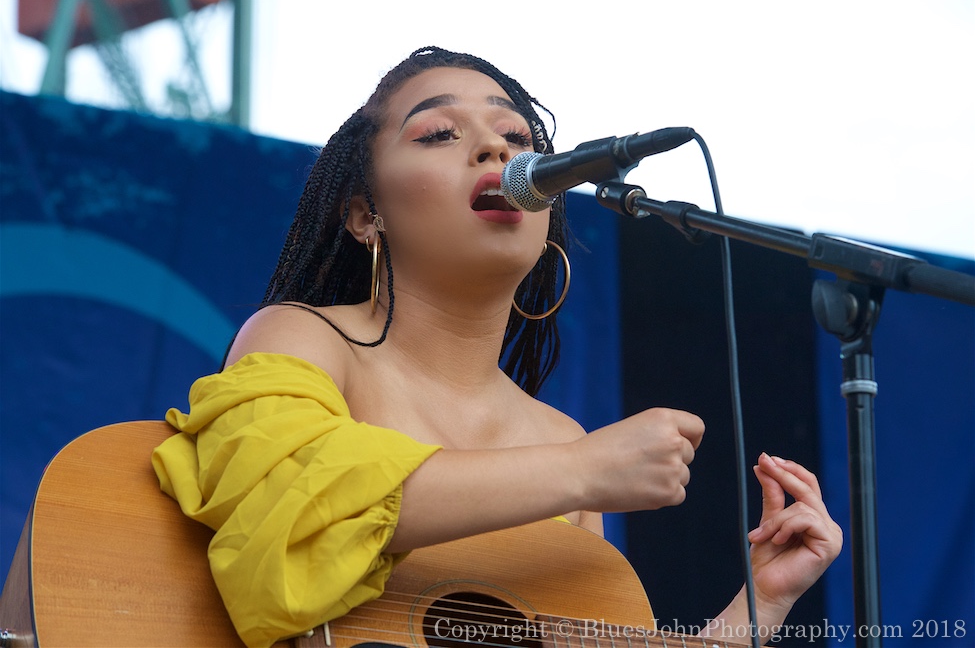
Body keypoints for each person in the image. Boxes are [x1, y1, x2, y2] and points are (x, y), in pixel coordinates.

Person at [152, 46, 842, 648]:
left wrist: (757, 608)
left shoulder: (558, 439)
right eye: (439, 133)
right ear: (366, 215)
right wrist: (580, 469)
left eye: (517, 135)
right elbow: (286, 507)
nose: (497, 150)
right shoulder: (305, 337)